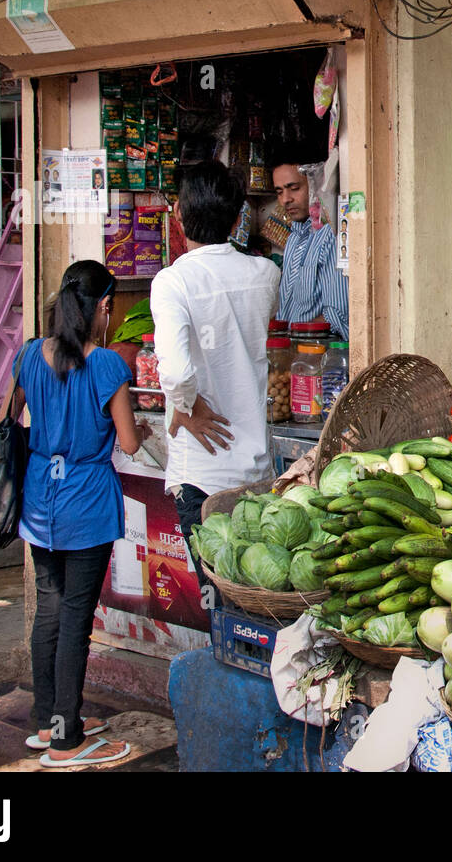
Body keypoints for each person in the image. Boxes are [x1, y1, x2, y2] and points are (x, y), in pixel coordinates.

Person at [3, 260, 150, 768]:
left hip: (41, 498)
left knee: (50, 611)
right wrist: (135, 432)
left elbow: (16, 415)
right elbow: (128, 442)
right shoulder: (107, 365)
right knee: (74, 619)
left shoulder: (28, 356)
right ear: (104, 308)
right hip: (85, 502)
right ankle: (68, 740)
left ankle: (47, 721)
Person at [150, 161, 281, 591]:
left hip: (202, 474)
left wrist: (187, 406)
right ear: (238, 217)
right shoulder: (265, 273)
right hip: (255, 469)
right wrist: (186, 401)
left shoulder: (173, 282)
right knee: (255, 593)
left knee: (220, 599)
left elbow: (174, 370)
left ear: (179, 216)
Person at [270, 153, 349, 340]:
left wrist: (294, 337)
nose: (285, 199)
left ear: (315, 184)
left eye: (294, 188)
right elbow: (287, 312)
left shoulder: (330, 235)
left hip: (318, 358)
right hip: (293, 356)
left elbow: (338, 315)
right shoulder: (293, 239)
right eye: (279, 192)